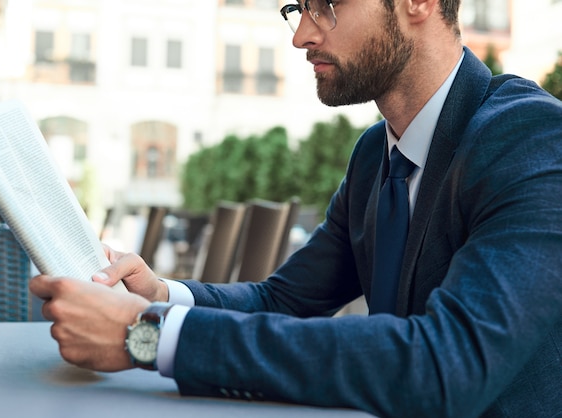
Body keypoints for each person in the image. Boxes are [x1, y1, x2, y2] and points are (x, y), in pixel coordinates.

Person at [29, 0, 562, 416]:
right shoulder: (375, 153)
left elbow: (451, 364)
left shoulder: (530, 139)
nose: (301, 34)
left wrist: (149, 334)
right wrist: (161, 294)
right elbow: (283, 299)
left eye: (327, 6)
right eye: (298, 9)